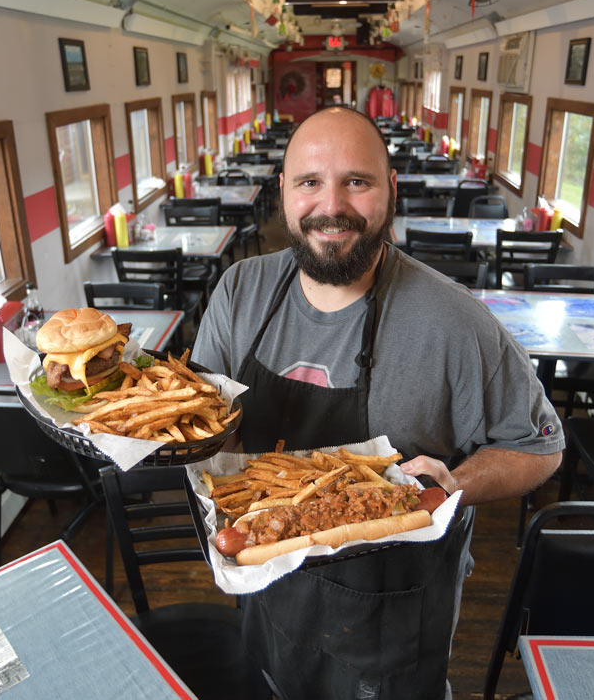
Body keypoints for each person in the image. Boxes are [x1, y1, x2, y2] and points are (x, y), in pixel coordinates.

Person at [192, 106, 564, 700]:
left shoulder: (453, 321)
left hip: (393, 624)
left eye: (356, 182)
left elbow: (540, 448)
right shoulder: (240, 292)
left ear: (390, 190)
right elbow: (206, 426)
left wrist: (454, 485)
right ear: (283, 192)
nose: (331, 206)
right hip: (268, 594)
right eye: (310, 182)